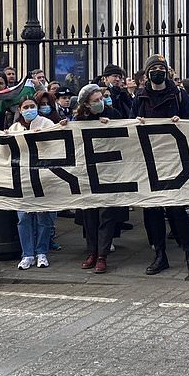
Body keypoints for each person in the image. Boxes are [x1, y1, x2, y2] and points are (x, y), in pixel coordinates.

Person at [134, 54, 189, 277]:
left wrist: (180, 122)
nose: (157, 72)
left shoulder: (178, 95)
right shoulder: (140, 97)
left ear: (167, 72)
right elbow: (130, 123)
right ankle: (160, 255)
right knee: (153, 210)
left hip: (173, 159)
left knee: (177, 210)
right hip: (149, 159)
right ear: (147, 74)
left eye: (160, 68)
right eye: (153, 69)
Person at [73, 84, 123, 274]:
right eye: (95, 101)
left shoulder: (114, 113)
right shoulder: (79, 118)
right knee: (89, 216)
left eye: (101, 98)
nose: (100, 102)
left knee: (106, 215)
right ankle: (92, 252)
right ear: (86, 103)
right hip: (87, 173)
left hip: (108, 171)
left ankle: (102, 255)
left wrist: (110, 126)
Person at [8, 96, 61, 269]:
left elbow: (57, 145)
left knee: (43, 218)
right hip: (22, 178)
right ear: (20, 110)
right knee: (23, 218)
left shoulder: (46, 123)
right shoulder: (14, 127)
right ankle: (27, 254)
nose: (29, 109)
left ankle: (42, 252)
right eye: (26, 107)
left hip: (43, 178)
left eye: (32, 106)